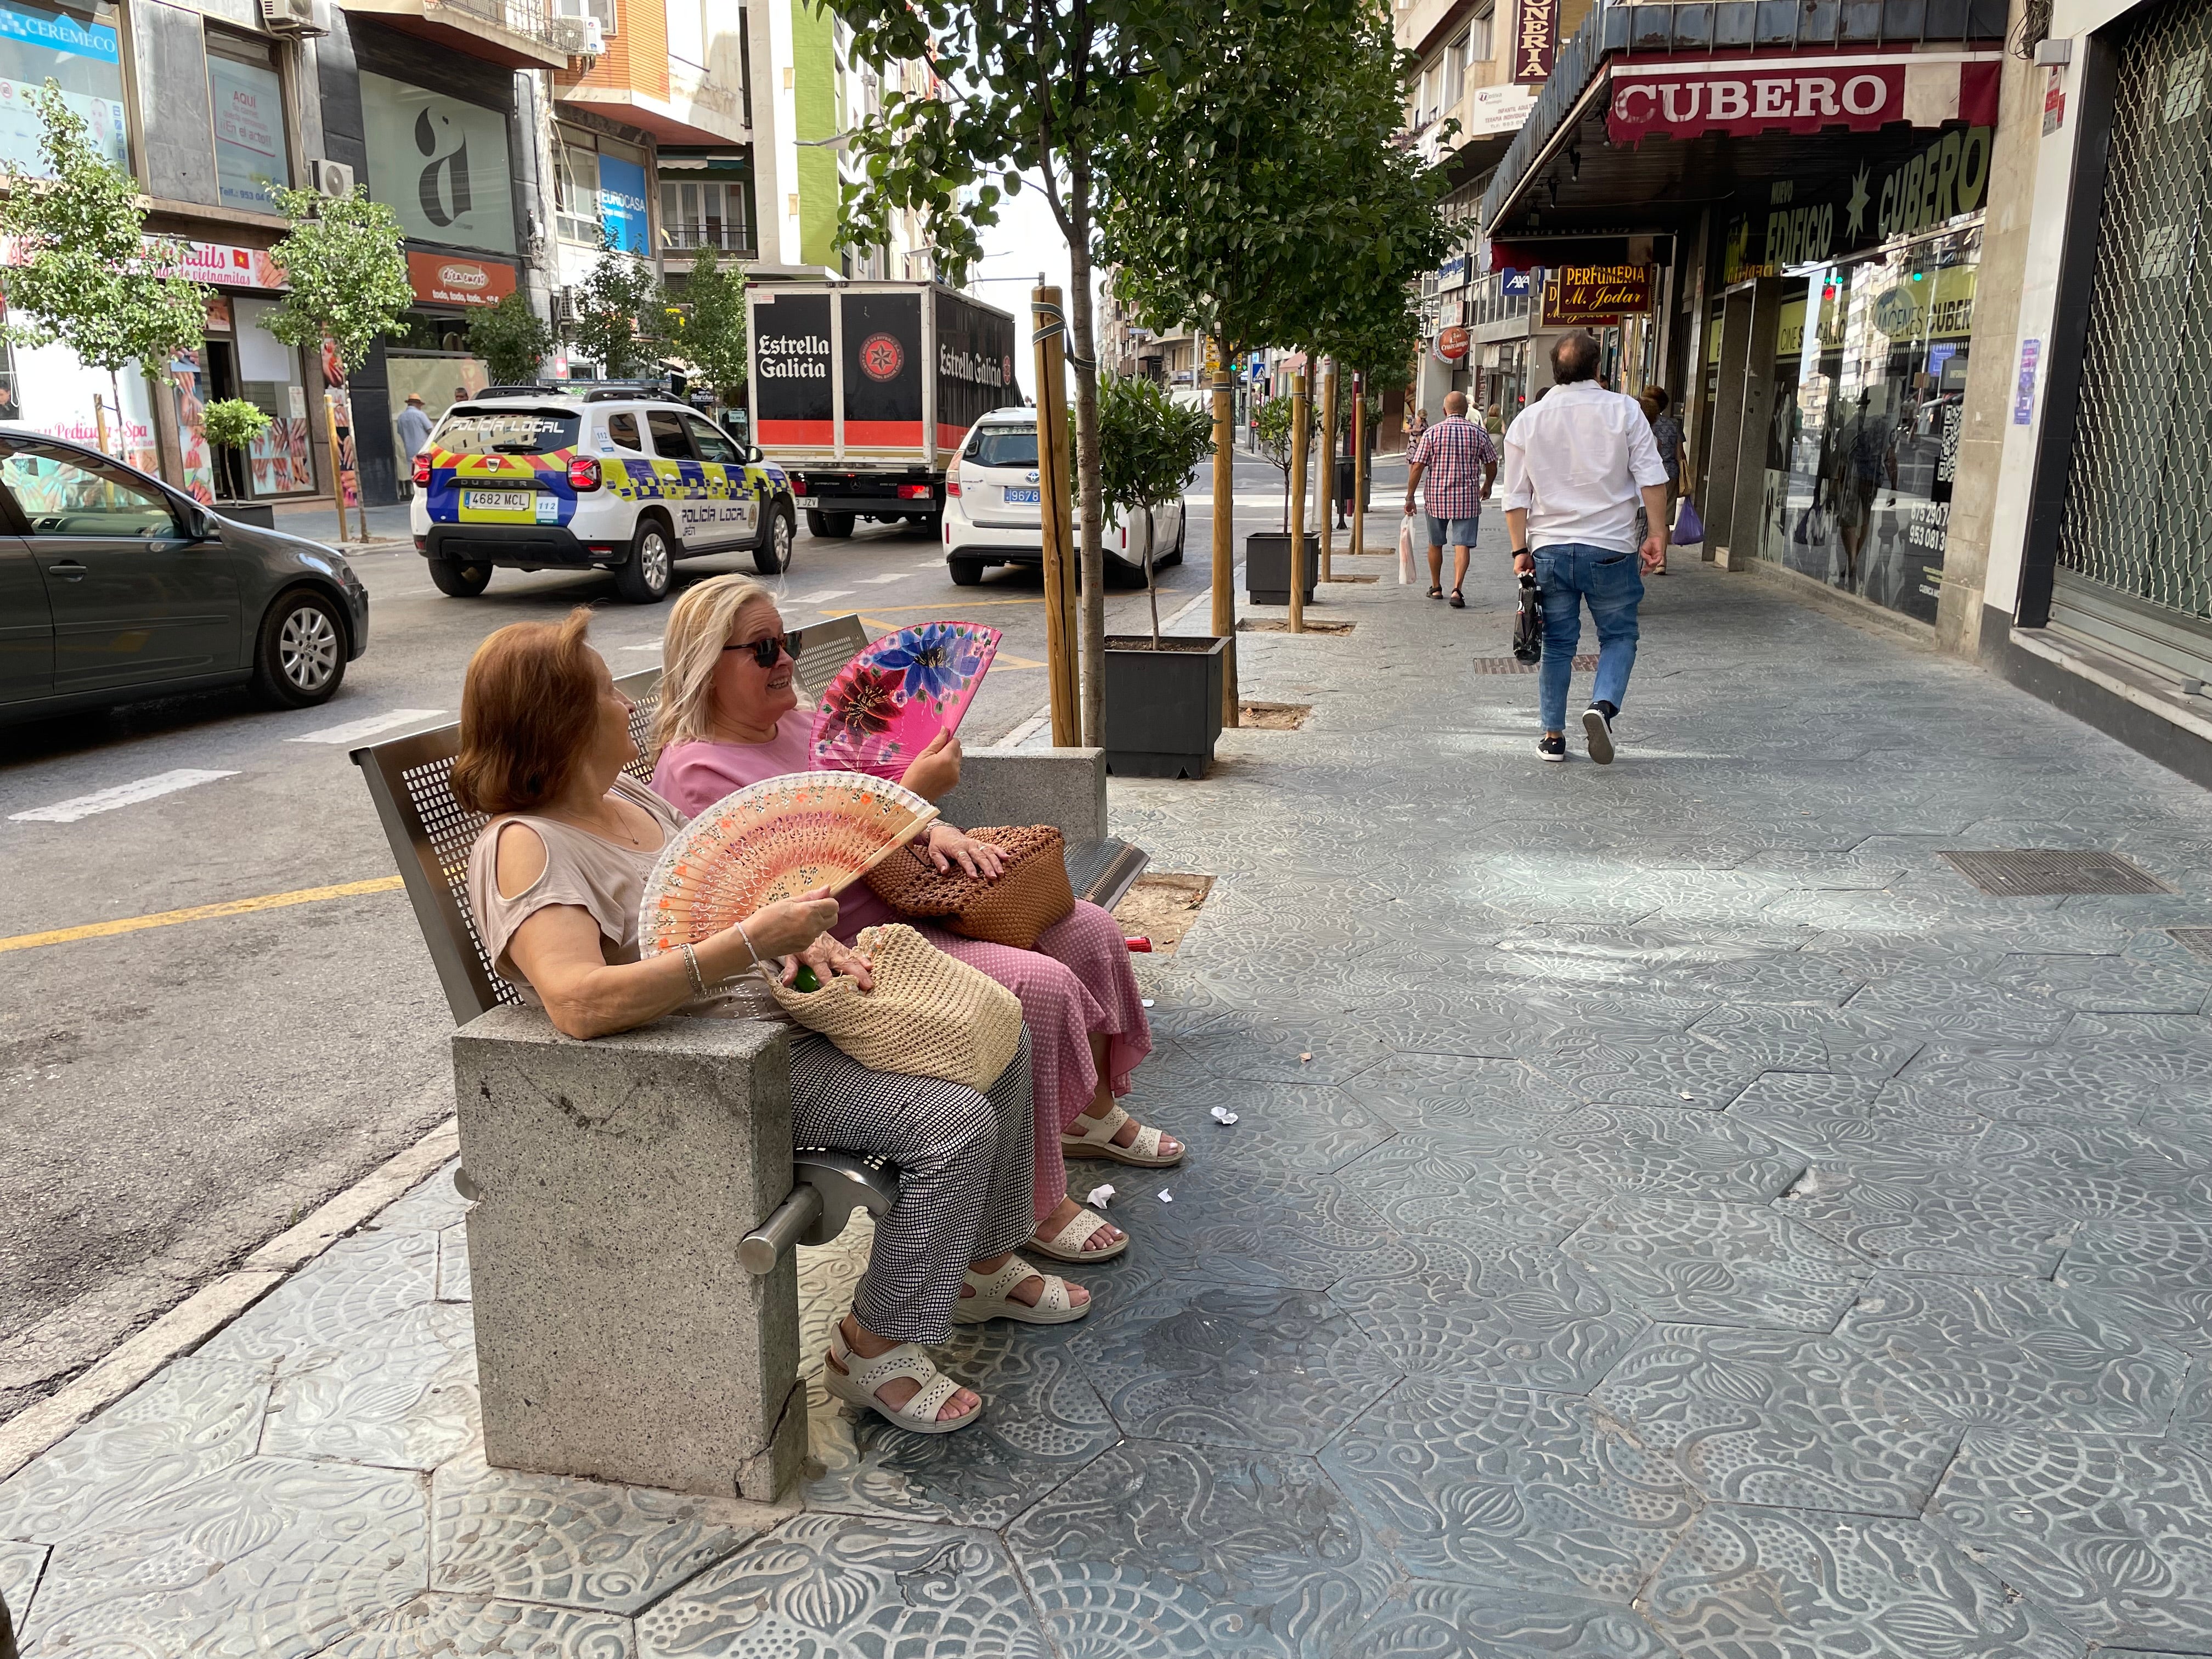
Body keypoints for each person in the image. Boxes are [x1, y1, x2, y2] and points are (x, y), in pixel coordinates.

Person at [456, 610, 1086, 1436]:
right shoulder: (527, 847)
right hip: (709, 1063)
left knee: (998, 1030)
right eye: (609, 693)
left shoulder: (630, 801)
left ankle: (977, 1267)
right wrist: (748, 944)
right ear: (562, 723)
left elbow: (729, 900)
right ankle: (872, 1346)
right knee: (951, 1120)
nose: (630, 707)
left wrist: (807, 942)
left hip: (776, 1013)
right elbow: (577, 1001)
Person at [650, 577, 1176, 1269]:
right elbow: (788, 894)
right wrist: (909, 796)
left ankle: (1090, 1114)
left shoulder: (802, 726)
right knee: (1039, 987)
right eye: (764, 649)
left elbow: (879, 808)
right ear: (704, 666)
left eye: (790, 643)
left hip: (916, 905)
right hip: (860, 952)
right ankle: (1038, 1202)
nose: (785, 662)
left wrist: (935, 830)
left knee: (1090, 931)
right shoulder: (698, 773)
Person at [1500, 331, 1669, 765]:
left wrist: (1520, 551)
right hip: (1611, 547)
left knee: (1558, 644)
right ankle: (1602, 705)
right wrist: (1656, 534)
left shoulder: (1528, 420)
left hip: (1550, 549)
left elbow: (1516, 497)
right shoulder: (1626, 411)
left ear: (1556, 371)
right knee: (1619, 635)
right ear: (1599, 368)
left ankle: (1553, 737)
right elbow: (1651, 478)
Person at [1401, 390, 1499, 608]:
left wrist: (1410, 496)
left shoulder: (1432, 433)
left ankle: (1436, 588)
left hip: (1436, 498)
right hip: (1467, 499)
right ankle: (1457, 590)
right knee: (1462, 545)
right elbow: (1492, 463)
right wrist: (1487, 486)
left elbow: (1418, 466)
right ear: (1466, 411)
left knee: (1435, 543)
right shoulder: (1478, 433)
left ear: (1445, 411)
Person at [1640, 388, 1685, 577]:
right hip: (1670, 473)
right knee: (1665, 518)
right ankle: (1662, 560)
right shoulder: (1674, 424)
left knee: (1645, 516)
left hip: (1647, 474)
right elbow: (1680, 454)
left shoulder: (1642, 422)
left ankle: (1642, 554)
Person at [395, 393, 434, 499]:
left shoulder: (401, 417)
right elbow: (431, 430)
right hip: (423, 448)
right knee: (426, 472)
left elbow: (400, 432)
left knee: (413, 472)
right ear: (417, 404)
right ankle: (424, 494)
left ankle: (416, 494)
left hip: (409, 449)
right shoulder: (420, 415)